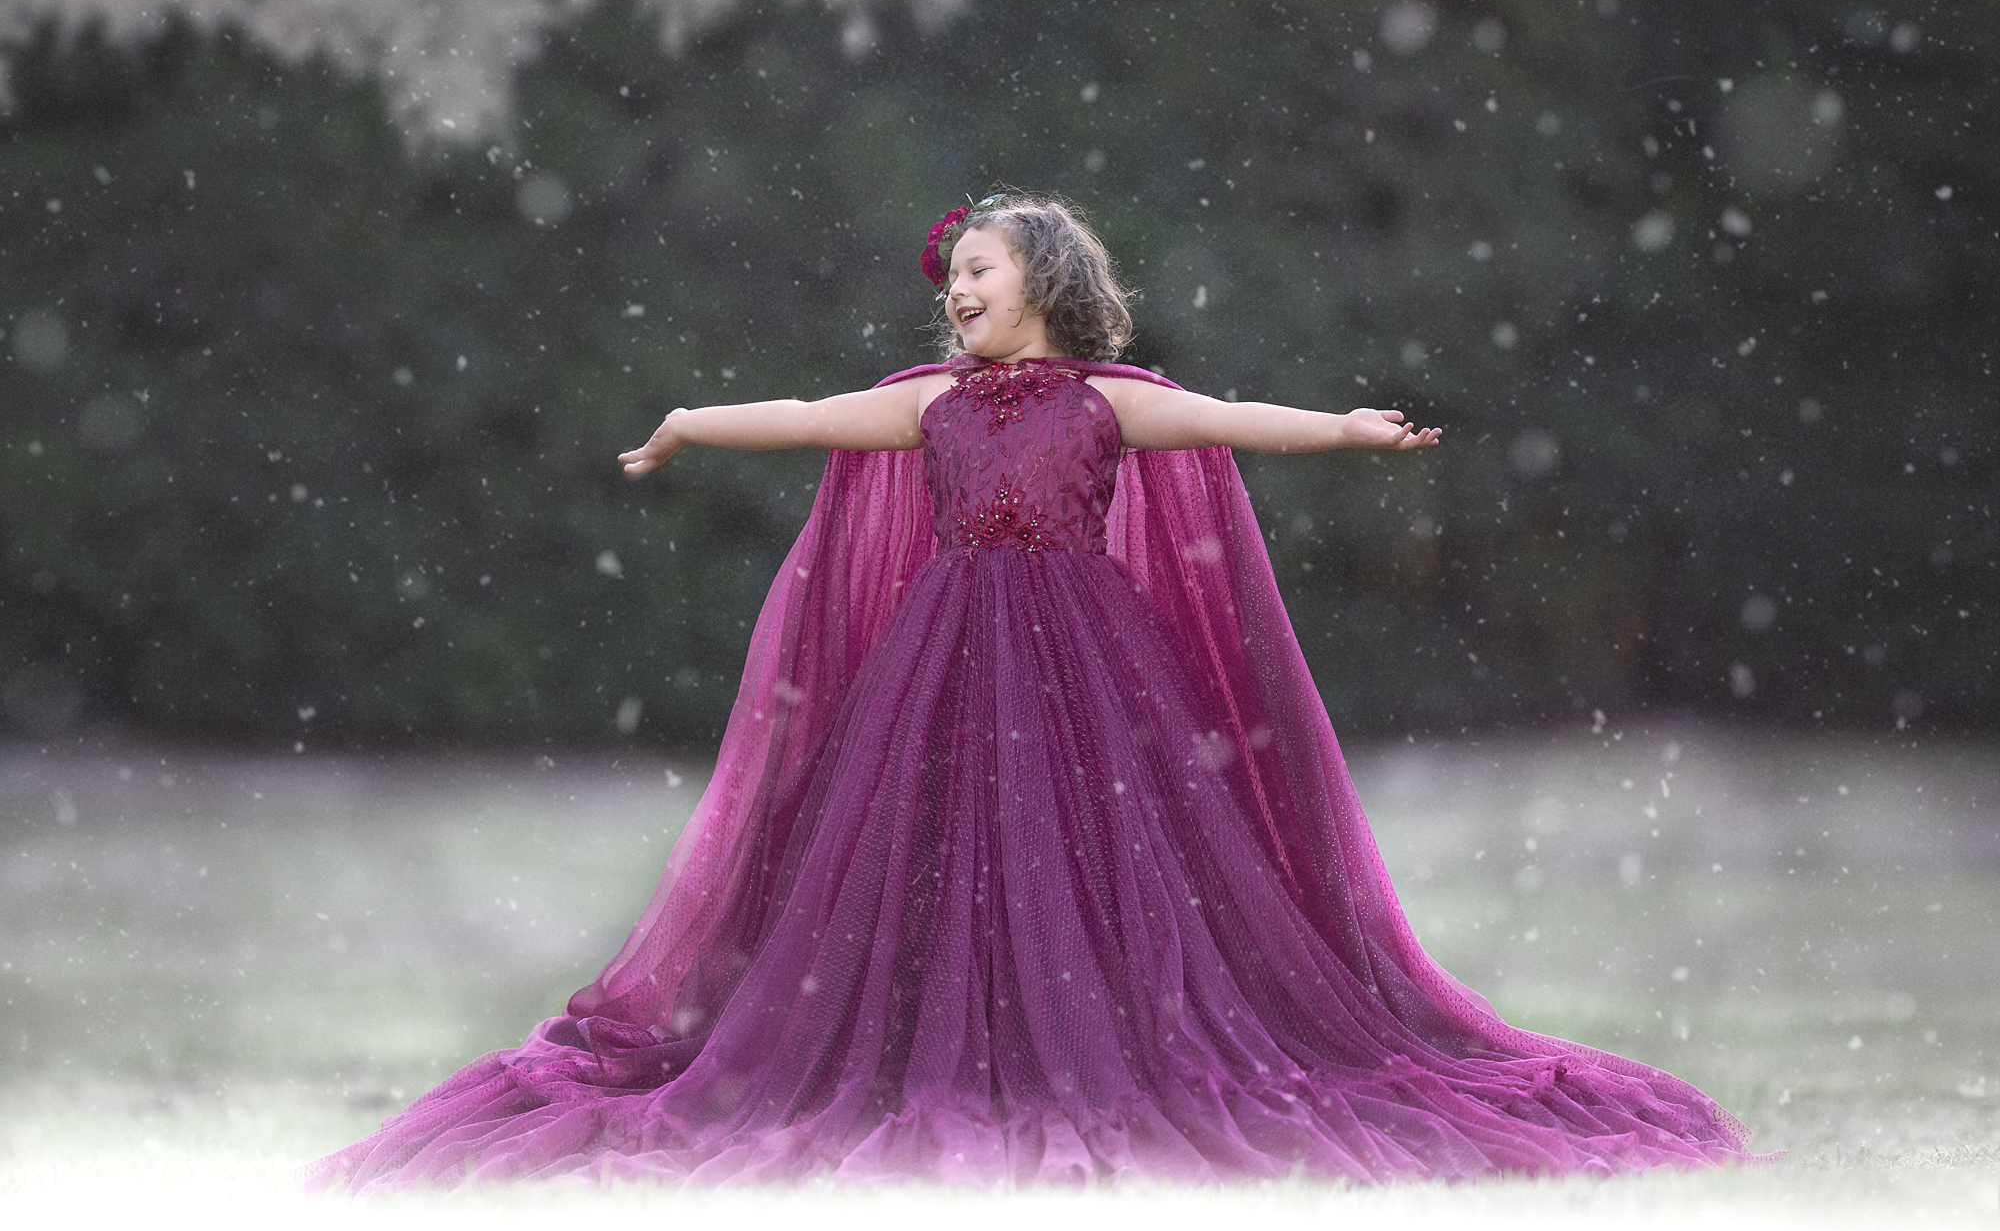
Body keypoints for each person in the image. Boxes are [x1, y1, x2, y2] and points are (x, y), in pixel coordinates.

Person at [310, 193, 1755, 1190]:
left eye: (982, 271)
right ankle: (950, 1038)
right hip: (941, 660)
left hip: (1084, 662)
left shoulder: (1106, 398)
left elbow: (1225, 420)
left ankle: (1091, 1040)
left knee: (1100, 858)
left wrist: (1347, 428)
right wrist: (693, 418)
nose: (959, 289)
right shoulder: (933, 405)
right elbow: (818, 418)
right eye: (955, 275)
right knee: (934, 855)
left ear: (1047, 286)